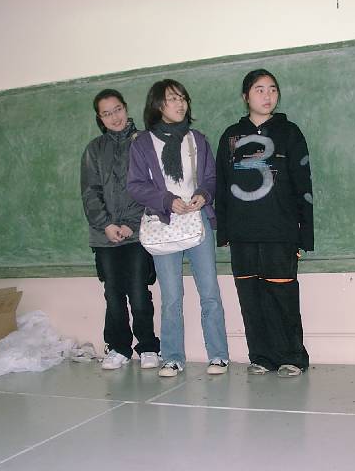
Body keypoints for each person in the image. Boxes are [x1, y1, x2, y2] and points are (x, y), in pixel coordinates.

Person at [127, 79, 229, 377]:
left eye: (182, 98)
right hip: (164, 222)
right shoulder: (143, 143)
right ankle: (172, 357)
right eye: (172, 98)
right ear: (158, 105)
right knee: (171, 296)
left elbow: (211, 178)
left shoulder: (197, 139)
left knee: (210, 291)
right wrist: (167, 200)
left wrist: (204, 195)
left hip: (197, 220)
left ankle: (218, 355)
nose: (180, 103)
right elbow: (136, 185)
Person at [216, 69, 314, 378]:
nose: (267, 95)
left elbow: (303, 184)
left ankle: (292, 357)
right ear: (245, 96)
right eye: (259, 89)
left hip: (280, 231)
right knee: (250, 296)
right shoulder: (231, 136)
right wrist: (225, 231)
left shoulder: (290, 133)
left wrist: (304, 234)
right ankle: (261, 356)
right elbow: (221, 186)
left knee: (283, 295)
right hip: (243, 233)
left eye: (272, 89)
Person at [81, 89, 161, 370]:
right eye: (106, 114)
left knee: (139, 293)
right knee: (113, 295)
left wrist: (130, 225)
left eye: (117, 110)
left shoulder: (144, 143)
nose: (114, 117)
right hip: (104, 237)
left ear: (126, 108)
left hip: (138, 234)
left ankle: (148, 347)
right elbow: (90, 193)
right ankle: (119, 348)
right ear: (100, 118)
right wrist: (107, 225)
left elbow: (151, 188)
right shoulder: (94, 149)